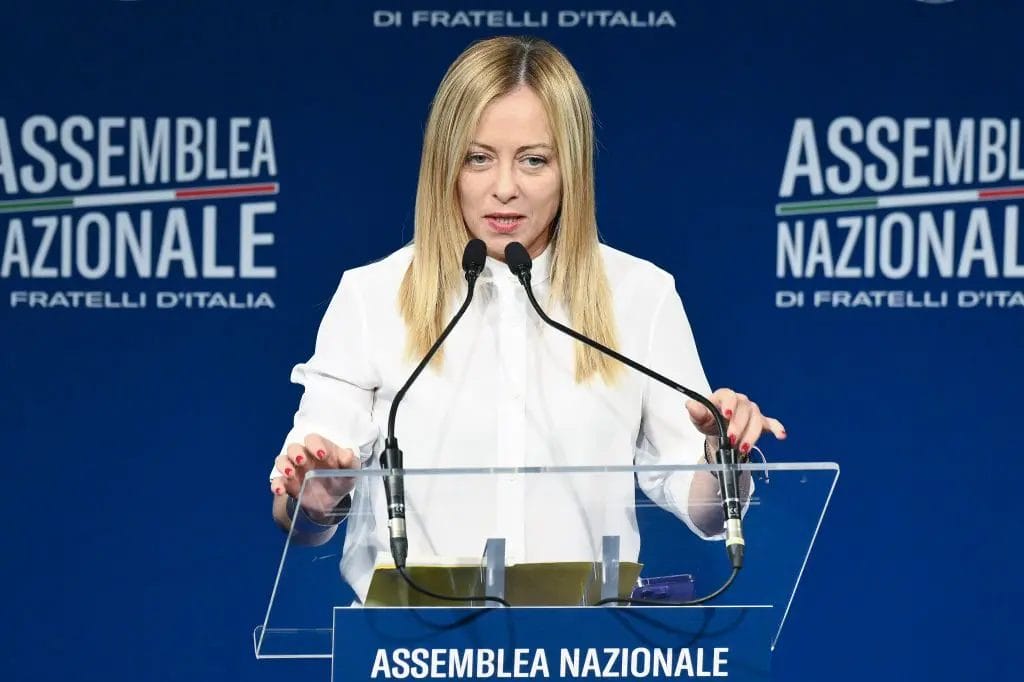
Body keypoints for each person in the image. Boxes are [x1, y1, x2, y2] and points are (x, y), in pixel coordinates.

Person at [268, 36, 786, 602]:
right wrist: (316, 499)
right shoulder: (371, 298)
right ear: (445, 165)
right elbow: (302, 519)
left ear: (571, 170)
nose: (504, 188)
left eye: (533, 160)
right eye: (478, 158)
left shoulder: (641, 296)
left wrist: (721, 458)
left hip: (584, 639)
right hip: (409, 638)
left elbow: (703, 508)